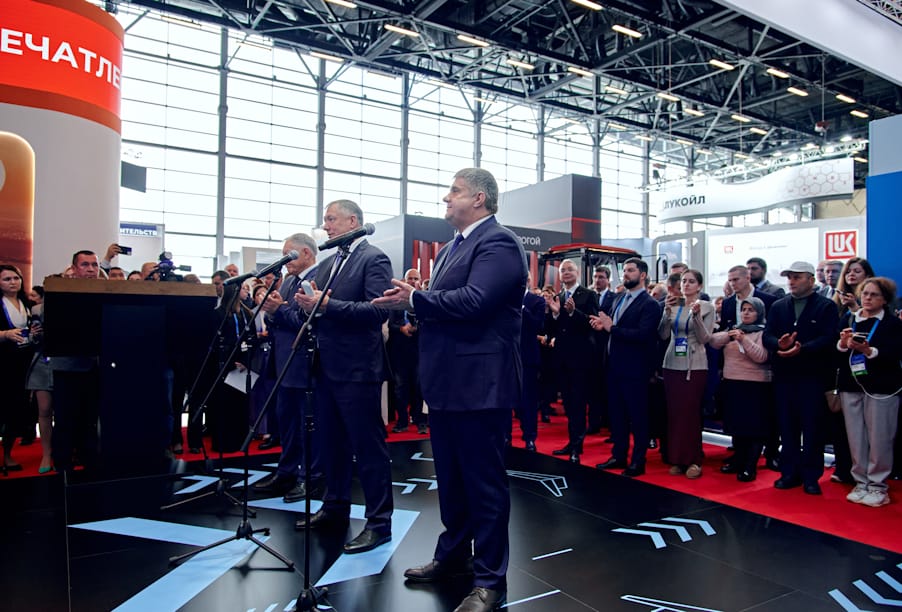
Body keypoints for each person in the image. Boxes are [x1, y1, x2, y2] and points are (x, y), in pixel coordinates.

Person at [374, 167, 526, 612]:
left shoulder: (498, 242)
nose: (446, 198)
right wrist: (417, 300)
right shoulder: (453, 247)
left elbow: (477, 301)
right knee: (453, 481)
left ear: (479, 198)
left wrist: (416, 300)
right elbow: (447, 307)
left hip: (480, 384)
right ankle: (454, 555)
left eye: (454, 191)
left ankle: (491, 581)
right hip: (447, 382)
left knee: (484, 486)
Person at [294, 199, 394, 555]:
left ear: (353, 221)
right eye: (325, 220)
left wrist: (327, 306)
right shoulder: (329, 262)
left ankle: (379, 522)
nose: (326, 226)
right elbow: (314, 307)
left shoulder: (374, 258)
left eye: (331, 219)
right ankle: (334, 506)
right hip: (325, 365)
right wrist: (303, 304)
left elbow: (377, 311)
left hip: (357, 368)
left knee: (368, 447)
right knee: (331, 444)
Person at [255, 233, 323, 502]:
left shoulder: (318, 278)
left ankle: (309, 477)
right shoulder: (288, 282)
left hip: (305, 365)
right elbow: (278, 318)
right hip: (283, 364)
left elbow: (309, 321)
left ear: (306, 253)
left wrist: (279, 310)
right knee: (287, 424)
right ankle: (286, 472)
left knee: (308, 426)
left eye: (289, 255)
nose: (285, 261)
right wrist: (272, 311)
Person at [763, 261, 838, 495]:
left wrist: (802, 349)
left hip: (812, 376)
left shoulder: (825, 306)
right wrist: (779, 345)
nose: (792, 281)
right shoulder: (779, 306)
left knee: (812, 427)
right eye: (790, 277)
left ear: (811, 280)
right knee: (787, 427)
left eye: (797, 277)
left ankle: (811, 476)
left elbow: (829, 337)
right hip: (784, 376)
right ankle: (789, 473)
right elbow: (767, 335)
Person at [591, 257, 662, 477]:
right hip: (614, 366)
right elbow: (614, 327)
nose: (626, 274)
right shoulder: (620, 298)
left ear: (643, 275)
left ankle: (638, 461)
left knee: (638, 417)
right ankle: (618, 455)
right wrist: (603, 326)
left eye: (631, 270)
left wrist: (612, 329)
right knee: (617, 415)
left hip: (635, 369)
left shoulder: (650, 304)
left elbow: (643, 335)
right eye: (625, 271)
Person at [836, 277, 902, 507]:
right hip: (851, 384)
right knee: (856, 437)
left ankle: (878, 485)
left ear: (884, 299)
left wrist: (868, 350)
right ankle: (860, 481)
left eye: (874, 295)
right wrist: (843, 344)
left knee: (880, 437)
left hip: (882, 387)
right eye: (865, 293)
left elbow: (895, 353)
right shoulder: (849, 318)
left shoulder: (892, 324)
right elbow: (836, 351)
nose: (868, 298)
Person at [658, 269, 715, 479]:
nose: (686, 284)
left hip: (694, 364)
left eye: (691, 281)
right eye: (684, 281)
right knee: (674, 413)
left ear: (699, 285)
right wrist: (665, 314)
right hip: (672, 361)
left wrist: (697, 316)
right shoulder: (673, 306)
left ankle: (694, 459)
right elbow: (663, 334)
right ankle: (677, 458)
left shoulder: (707, 307)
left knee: (690, 413)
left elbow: (704, 338)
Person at [708, 297, 772, 481]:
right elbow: (713, 341)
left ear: (759, 312)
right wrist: (730, 335)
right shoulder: (735, 329)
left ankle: (750, 466)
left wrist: (743, 339)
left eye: (751, 310)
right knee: (737, 426)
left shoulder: (763, 332)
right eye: (744, 309)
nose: (746, 313)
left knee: (754, 428)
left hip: (755, 385)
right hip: (732, 383)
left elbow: (761, 356)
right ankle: (738, 460)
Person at [546, 259, 597, 463]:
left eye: (570, 269)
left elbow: (592, 322)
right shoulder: (558, 297)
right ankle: (572, 441)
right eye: (563, 270)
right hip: (562, 358)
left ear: (577, 273)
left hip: (581, 358)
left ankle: (577, 446)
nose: (566, 272)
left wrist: (573, 313)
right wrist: (555, 314)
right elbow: (552, 329)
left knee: (578, 403)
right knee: (567, 403)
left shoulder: (588, 295)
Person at [1, 264, 35, 472]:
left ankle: (7, 453)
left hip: (22, 362)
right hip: (3, 362)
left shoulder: (27, 303)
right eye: (7, 279)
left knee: (15, 411)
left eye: (16, 278)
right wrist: (5, 334)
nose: (13, 282)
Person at [386, 268, 426, 435]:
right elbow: (390, 324)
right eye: (410, 278)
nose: (412, 281)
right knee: (400, 388)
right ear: (404, 280)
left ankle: (419, 421)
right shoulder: (396, 300)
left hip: (418, 352)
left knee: (418, 388)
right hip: (399, 352)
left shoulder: (424, 299)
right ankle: (402, 422)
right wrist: (401, 328)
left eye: (416, 278)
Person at [518, 274, 546, 451]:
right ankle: (505, 437)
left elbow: (538, 326)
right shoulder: (503, 299)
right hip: (506, 356)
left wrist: (523, 309)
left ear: (528, 281)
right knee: (506, 399)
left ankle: (530, 437)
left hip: (527, 356)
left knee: (528, 399)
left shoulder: (537, 301)